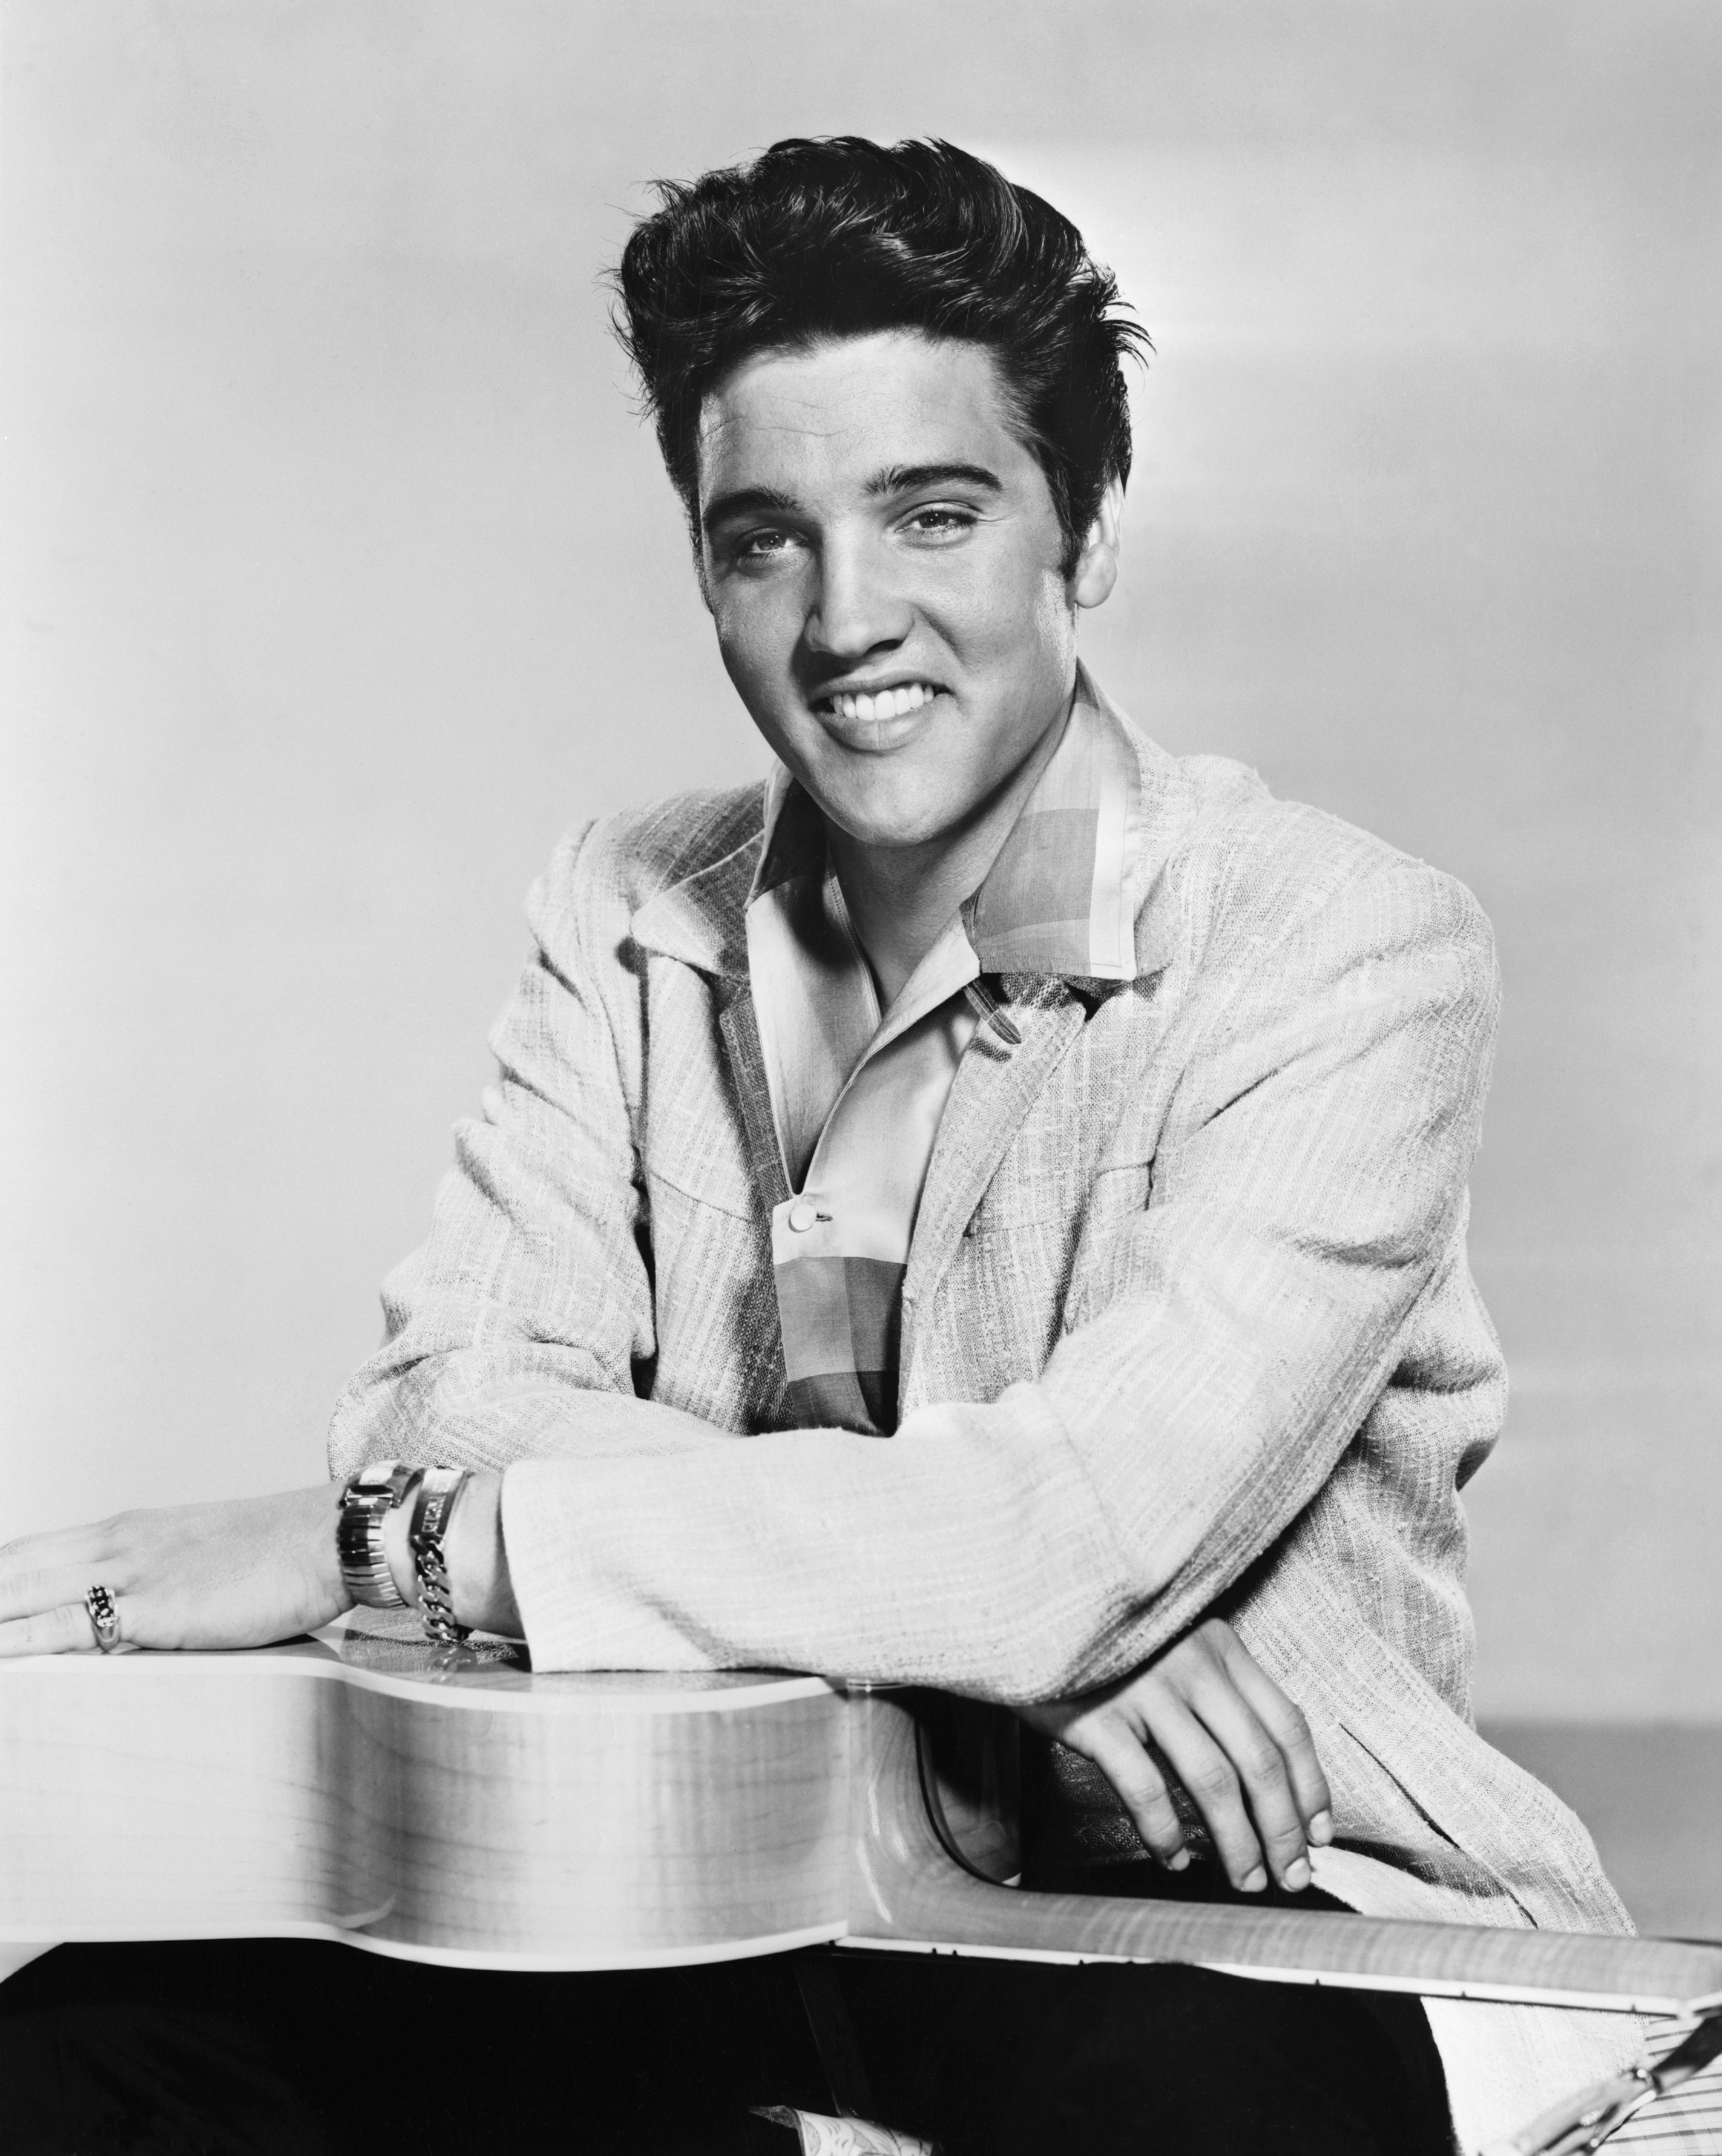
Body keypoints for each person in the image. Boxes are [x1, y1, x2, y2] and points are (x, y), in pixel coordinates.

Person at [0, 136, 1643, 2155]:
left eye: (933, 513)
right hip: (740, 1886)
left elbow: (1060, 1536)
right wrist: (1005, 1640)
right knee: (90, 2041)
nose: (845, 615)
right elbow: (450, 1392)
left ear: (1086, 531)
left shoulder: (1344, 946)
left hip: (1244, 1917)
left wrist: (432, 1542)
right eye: (762, 538)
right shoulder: (632, 908)